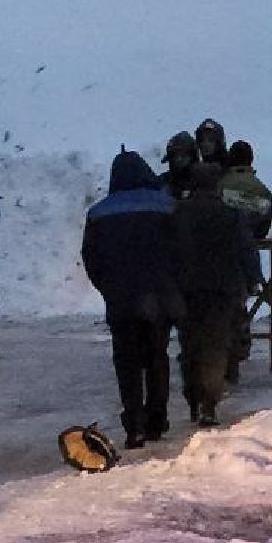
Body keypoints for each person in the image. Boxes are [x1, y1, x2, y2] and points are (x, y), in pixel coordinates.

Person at [80, 149, 184, 448]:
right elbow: (180, 252)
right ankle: (156, 418)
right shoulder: (167, 207)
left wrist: (108, 288)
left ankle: (134, 423)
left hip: (121, 300)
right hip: (159, 299)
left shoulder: (99, 213)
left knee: (126, 361)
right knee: (156, 356)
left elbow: (91, 259)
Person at [171, 161, 258, 427]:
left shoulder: (177, 214)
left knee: (190, 344)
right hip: (222, 288)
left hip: (186, 288)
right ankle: (209, 403)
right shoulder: (231, 214)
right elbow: (246, 248)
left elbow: (168, 250)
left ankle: (193, 398)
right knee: (215, 345)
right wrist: (252, 279)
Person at [217, 140, 272, 383]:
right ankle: (240, 345)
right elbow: (264, 222)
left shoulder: (222, 185)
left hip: (221, 255)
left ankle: (226, 355)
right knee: (240, 303)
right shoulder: (261, 190)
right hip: (247, 254)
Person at [159, 131, 200, 199]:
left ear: (193, 157)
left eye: (183, 155)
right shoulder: (162, 181)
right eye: (174, 155)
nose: (178, 159)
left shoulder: (203, 180)